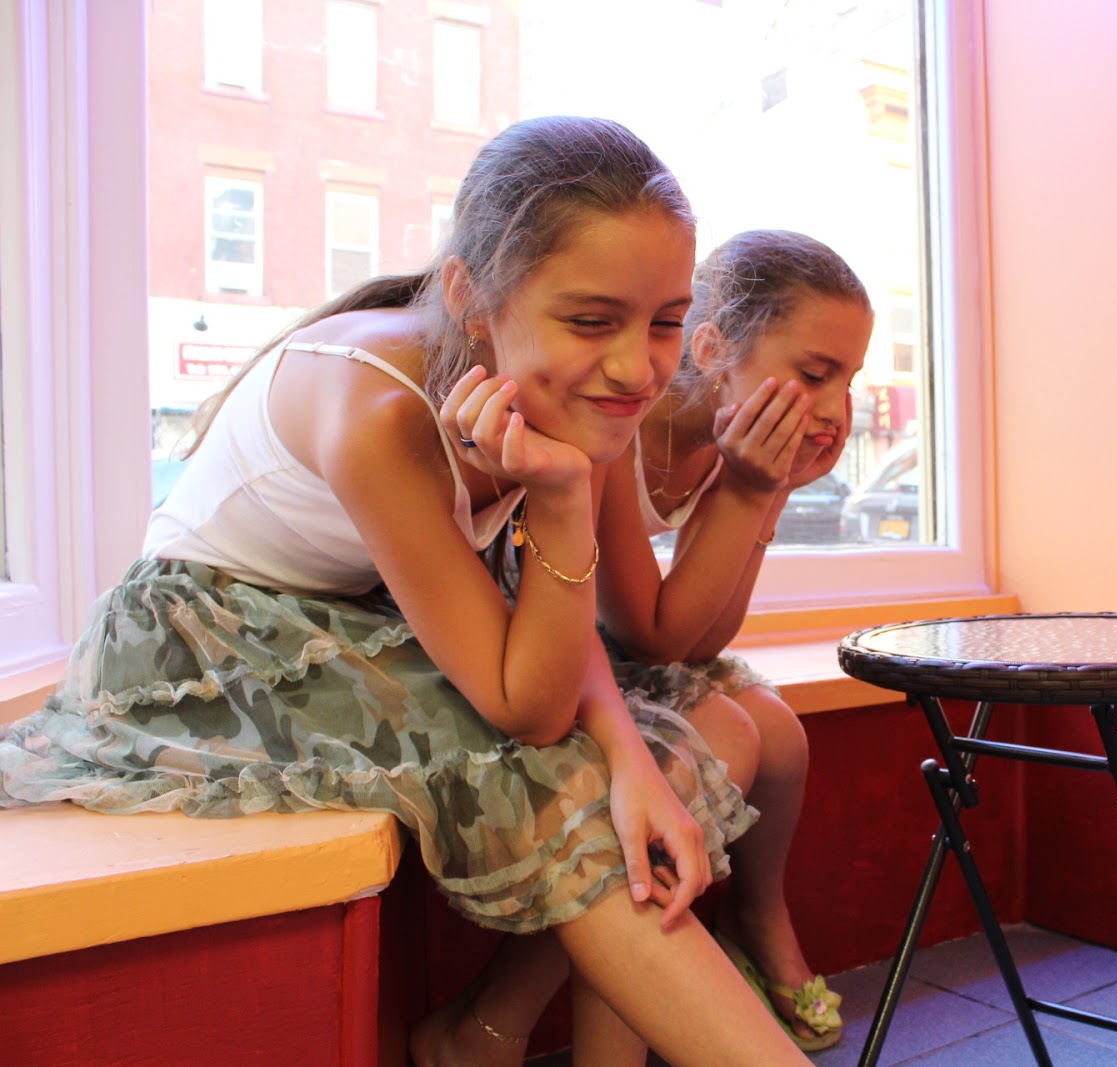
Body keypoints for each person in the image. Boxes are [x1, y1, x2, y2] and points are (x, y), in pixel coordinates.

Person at [0, 116, 809, 1067]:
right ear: (473, 296)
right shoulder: (381, 413)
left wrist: (631, 754)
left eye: (667, 321)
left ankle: (492, 1039)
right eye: (592, 320)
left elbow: (558, 625)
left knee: (696, 737)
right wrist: (557, 499)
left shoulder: (578, 392)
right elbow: (530, 707)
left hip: (376, 613)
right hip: (222, 634)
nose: (639, 366)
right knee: (564, 779)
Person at [595, 230, 874, 1054]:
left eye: (848, 381)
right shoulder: (625, 419)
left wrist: (767, 490)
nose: (831, 407)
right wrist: (754, 489)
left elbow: (706, 633)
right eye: (816, 373)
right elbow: (651, 634)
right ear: (712, 347)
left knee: (781, 735)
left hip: (633, 638)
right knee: (727, 736)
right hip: (562, 634)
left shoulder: (730, 440)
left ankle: (760, 917)